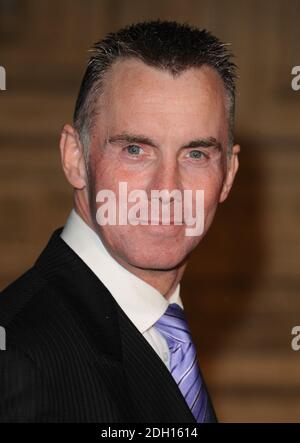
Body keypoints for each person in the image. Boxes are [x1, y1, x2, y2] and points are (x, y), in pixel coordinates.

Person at [0, 20, 240, 423]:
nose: (167, 189)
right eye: (135, 149)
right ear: (75, 157)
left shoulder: (167, 338)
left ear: (229, 175)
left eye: (195, 154)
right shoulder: (17, 358)